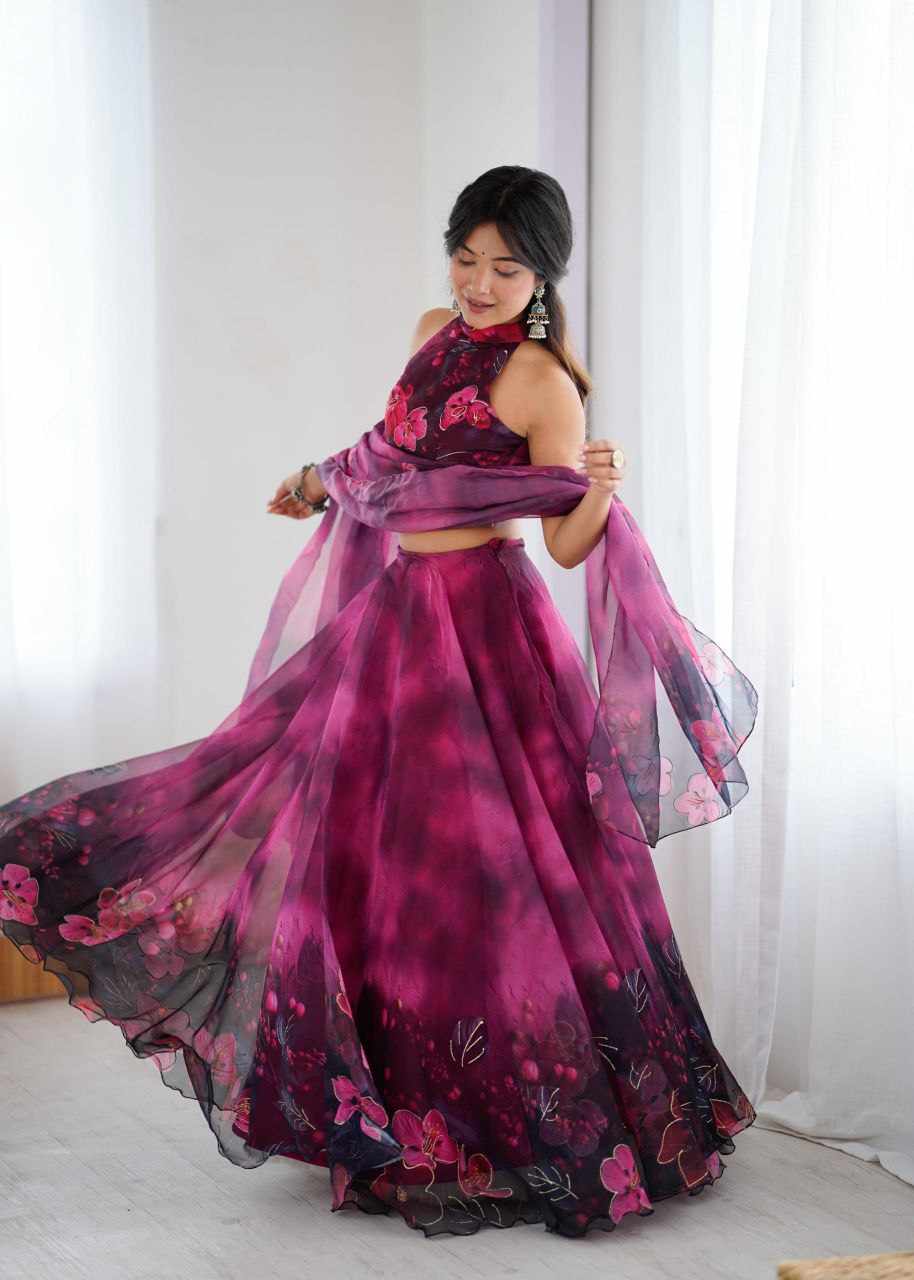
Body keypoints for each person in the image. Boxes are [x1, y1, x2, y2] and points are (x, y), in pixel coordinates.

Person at [0, 166, 757, 1240]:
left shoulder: (543, 382)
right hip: (398, 618)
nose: (478, 284)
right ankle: (390, 1114)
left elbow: (563, 543)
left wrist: (596, 487)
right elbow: (391, 450)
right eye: (465, 258)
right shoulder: (430, 331)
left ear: (545, 275)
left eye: (505, 268)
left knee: (490, 877)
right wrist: (319, 476)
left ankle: (511, 1125)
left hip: (484, 633)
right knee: (373, 859)